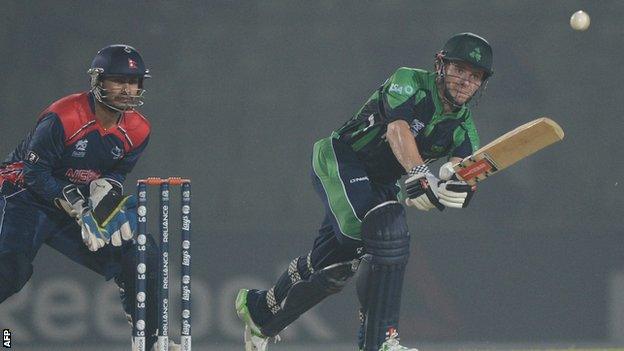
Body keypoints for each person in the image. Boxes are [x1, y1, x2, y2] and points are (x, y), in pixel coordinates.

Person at [236, 32, 494, 351]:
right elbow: (397, 128)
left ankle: (261, 312)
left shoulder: (464, 127)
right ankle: (379, 341)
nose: (465, 81)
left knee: (331, 262)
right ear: (441, 65)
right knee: (384, 234)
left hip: (382, 184)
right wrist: (419, 173)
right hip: (344, 158)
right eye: (459, 69)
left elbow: (465, 169)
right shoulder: (409, 81)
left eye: (475, 76)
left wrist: (460, 187)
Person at [0, 45, 170, 351]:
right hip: (24, 195)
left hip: (77, 203)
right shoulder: (64, 116)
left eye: (134, 82)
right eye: (118, 80)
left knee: (142, 252)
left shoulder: (139, 130)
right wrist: (77, 207)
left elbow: (117, 173)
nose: (127, 89)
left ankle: (151, 338)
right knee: (12, 272)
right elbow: (34, 173)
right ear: (97, 81)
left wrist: (107, 192)